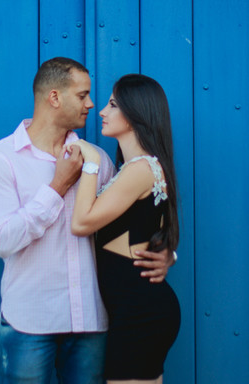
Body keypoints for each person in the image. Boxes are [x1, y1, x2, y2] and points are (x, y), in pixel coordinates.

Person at [0, 58, 173, 384]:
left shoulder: (99, 160)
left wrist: (163, 252)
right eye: (83, 95)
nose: (92, 104)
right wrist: (57, 187)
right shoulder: (1, 160)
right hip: (30, 321)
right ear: (54, 98)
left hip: (90, 323)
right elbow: (3, 241)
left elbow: (128, 224)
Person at [69, 74, 181, 384]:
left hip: (139, 313)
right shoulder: (137, 169)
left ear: (135, 115)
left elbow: (80, 223)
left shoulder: (141, 169)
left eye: (113, 104)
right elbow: (145, 229)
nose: (102, 111)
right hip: (137, 309)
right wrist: (170, 255)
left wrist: (90, 161)